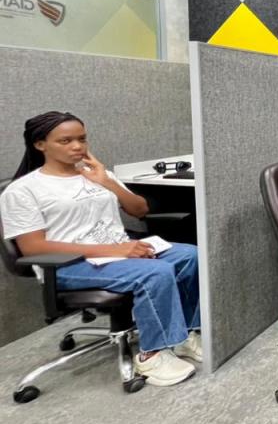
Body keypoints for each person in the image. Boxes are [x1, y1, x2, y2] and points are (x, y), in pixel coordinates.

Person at [0, 111, 202, 386]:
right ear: (40, 144)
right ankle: (152, 355)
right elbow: (33, 247)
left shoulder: (97, 174)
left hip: (118, 251)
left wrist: (106, 181)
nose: (77, 146)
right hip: (68, 264)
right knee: (155, 272)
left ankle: (183, 336)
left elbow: (139, 210)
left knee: (189, 255)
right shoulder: (23, 190)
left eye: (82, 139)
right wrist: (117, 250)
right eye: (65, 141)